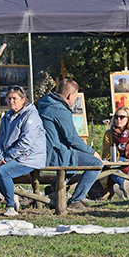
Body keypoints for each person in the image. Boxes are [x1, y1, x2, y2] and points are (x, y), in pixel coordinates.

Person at [37, 79, 103, 211]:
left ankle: (54, 189)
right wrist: (93, 152)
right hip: (55, 153)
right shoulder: (59, 109)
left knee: (74, 160)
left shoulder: (46, 104)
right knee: (96, 164)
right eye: (75, 96)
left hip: (45, 151)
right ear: (69, 96)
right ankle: (76, 200)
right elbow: (72, 138)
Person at [0, 87, 46, 217]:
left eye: (14, 98)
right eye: (9, 98)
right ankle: (11, 196)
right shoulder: (7, 116)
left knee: (3, 171)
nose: (11, 101)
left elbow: (26, 143)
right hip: (9, 156)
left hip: (30, 156)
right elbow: (0, 140)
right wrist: (0, 158)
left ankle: (10, 207)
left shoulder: (31, 116)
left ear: (23, 100)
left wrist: (7, 159)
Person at [101, 107, 129, 200]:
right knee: (112, 169)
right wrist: (116, 145)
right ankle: (127, 192)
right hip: (115, 162)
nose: (118, 119)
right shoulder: (109, 133)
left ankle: (123, 189)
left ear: (128, 119)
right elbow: (105, 153)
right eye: (116, 117)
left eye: (122, 117)